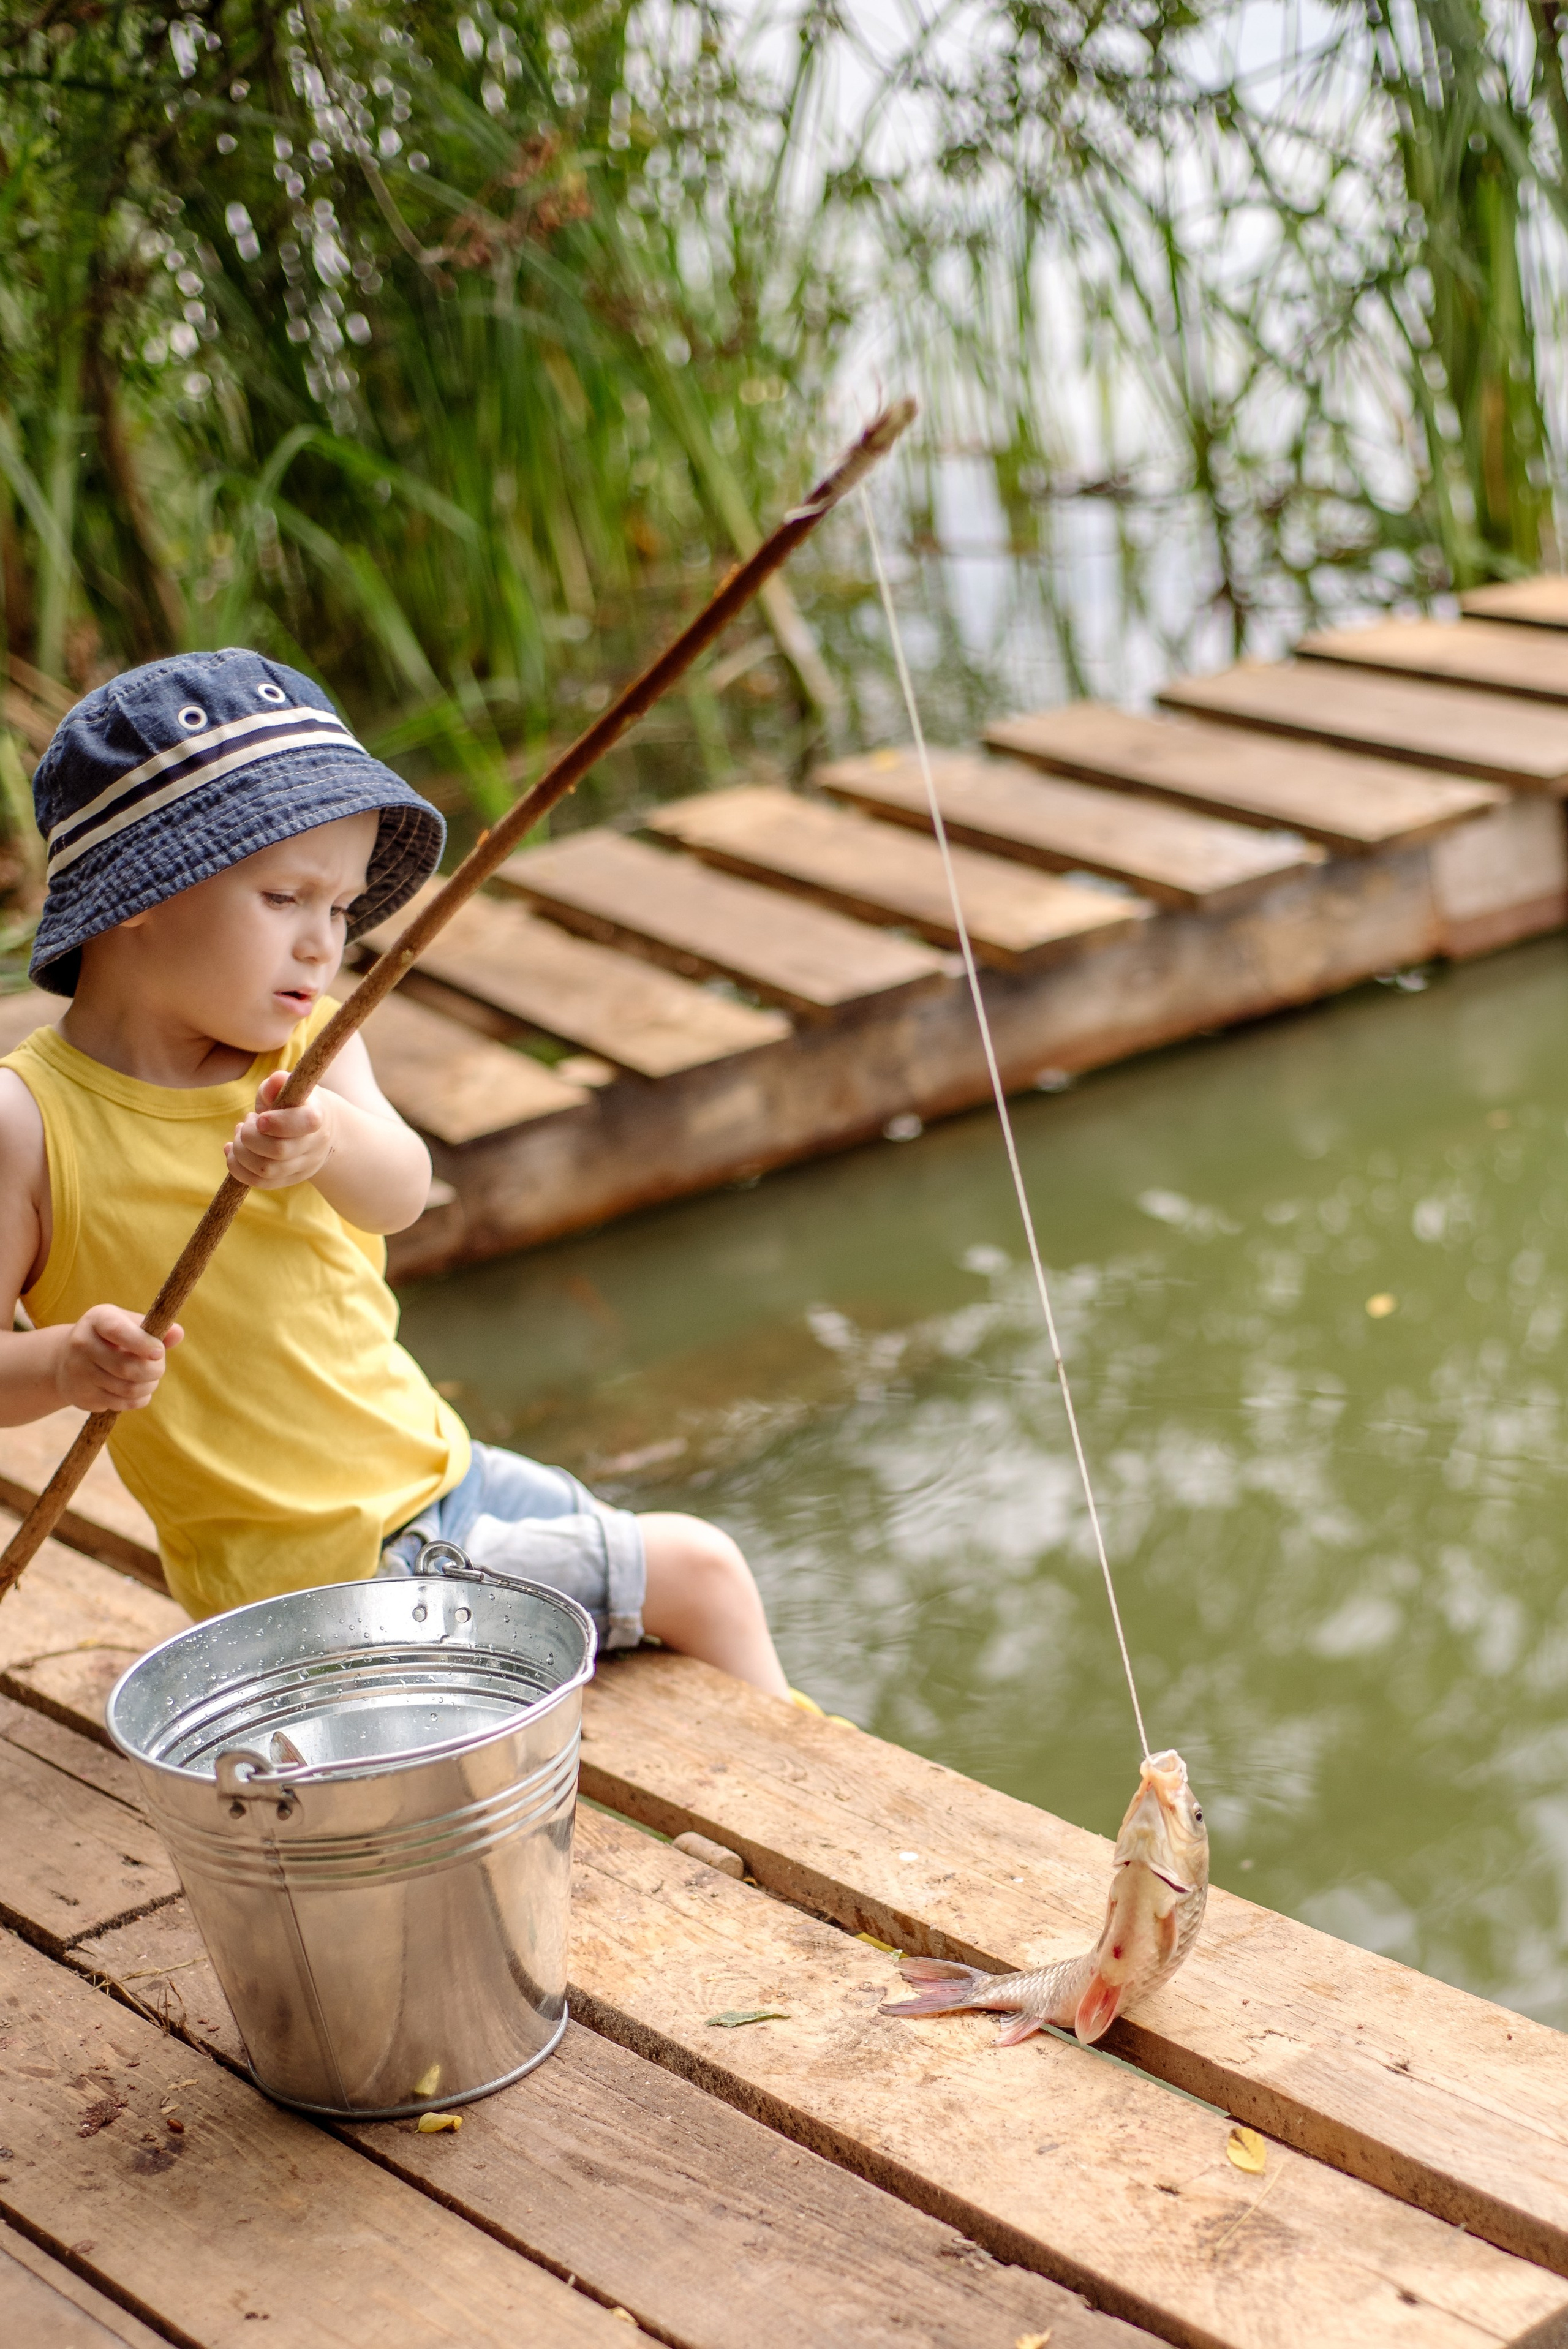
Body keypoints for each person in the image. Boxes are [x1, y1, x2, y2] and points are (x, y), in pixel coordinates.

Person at [0, 649, 788, 1695]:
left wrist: (329, 1138)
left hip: (435, 1471)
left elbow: (404, 1192)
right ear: (141, 892)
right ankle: (832, 1791)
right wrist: (62, 1367)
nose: (323, 946)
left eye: (341, 909)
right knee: (701, 1571)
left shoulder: (311, 1052)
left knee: (610, 1544)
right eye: (285, 897)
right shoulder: (30, 1123)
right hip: (323, 1580)